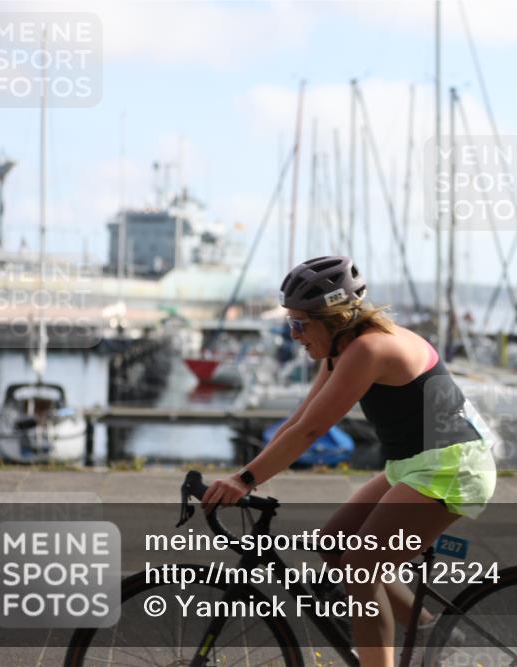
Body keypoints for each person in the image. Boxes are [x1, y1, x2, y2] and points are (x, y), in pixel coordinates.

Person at [202, 255, 497, 667]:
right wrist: (242, 476)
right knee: (334, 545)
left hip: (451, 467)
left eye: (300, 324)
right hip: (413, 464)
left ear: (334, 317)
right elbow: (299, 421)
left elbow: (311, 432)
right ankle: (432, 633)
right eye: (290, 323)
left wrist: (246, 480)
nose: (294, 335)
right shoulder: (340, 350)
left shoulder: (370, 349)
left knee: (360, 566)